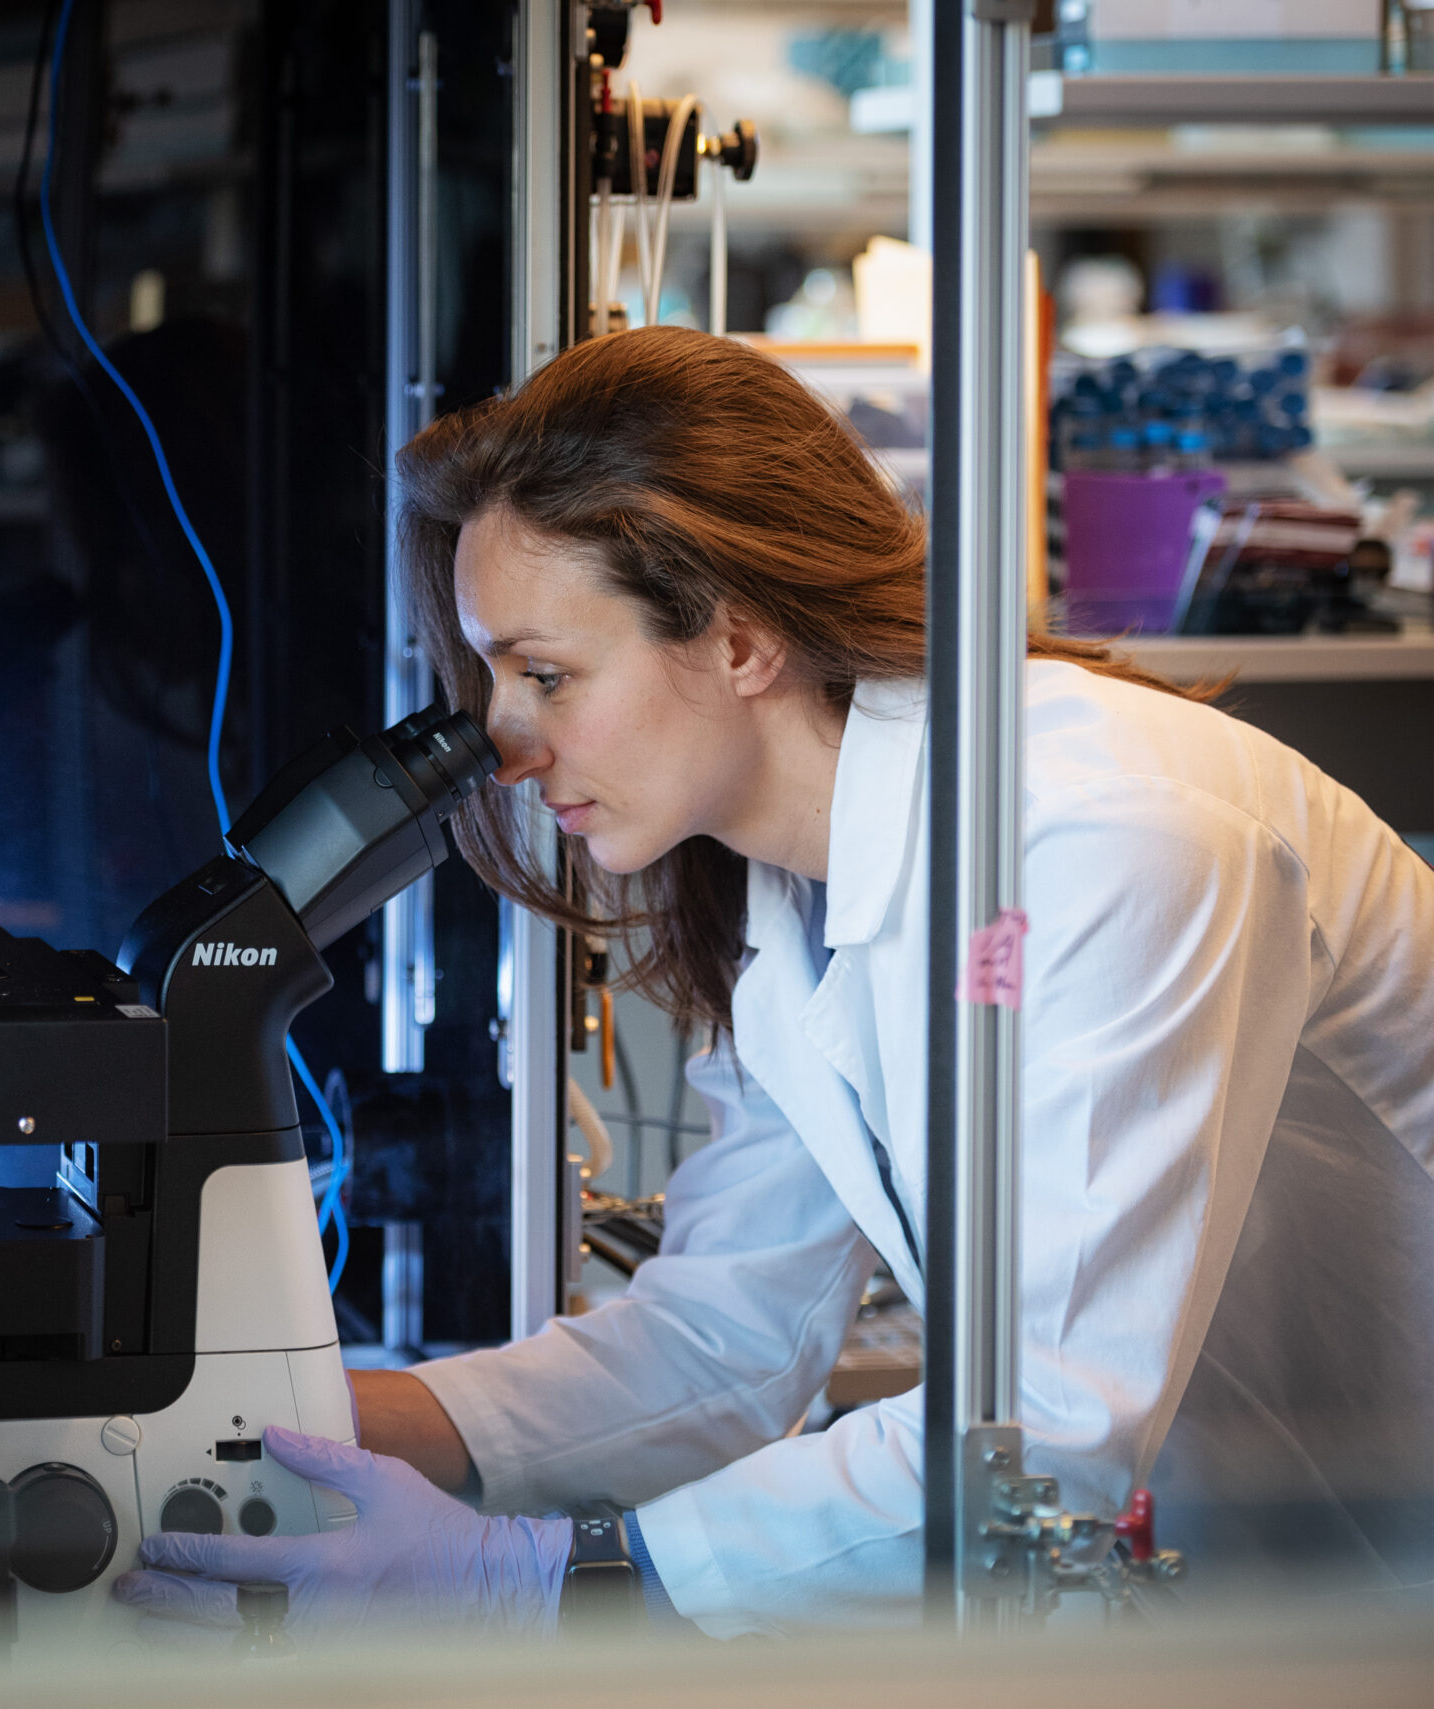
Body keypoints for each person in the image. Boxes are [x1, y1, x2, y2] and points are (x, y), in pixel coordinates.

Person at [111, 327, 1434, 1639]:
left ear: (738, 639)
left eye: (547, 675)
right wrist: (314, 1421)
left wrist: (540, 1579)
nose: (503, 748)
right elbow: (729, 1336)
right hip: (1274, 1548)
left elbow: (1041, 1425)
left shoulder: (1100, 835)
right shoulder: (785, 893)